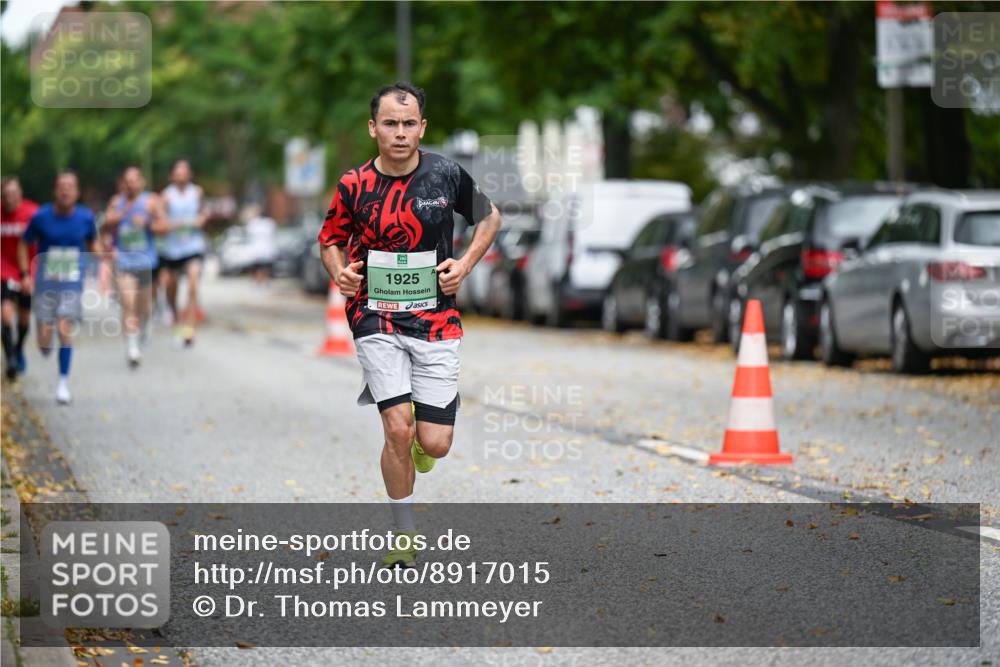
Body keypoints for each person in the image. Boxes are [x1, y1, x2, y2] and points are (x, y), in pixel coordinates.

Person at [318, 82, 501, 567]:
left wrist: (464, 265)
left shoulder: (445, 174)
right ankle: (403, 532)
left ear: (422, 127)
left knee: (433, 443)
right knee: (396, 430)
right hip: (374, 316)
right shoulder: (353, 184)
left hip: (436, 320)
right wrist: (339, 271)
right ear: (373, 127)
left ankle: (428, 430)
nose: (400, 133)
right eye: (390, 124)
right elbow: (330, 239)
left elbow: (490, 218)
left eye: (409, 124)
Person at [17, 170, 96, 403]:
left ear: (77, 192)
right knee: (44, 343)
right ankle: (45, 345)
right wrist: (25, 274)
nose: (65, 190)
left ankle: (63, 383)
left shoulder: (86, 218)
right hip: (45, 284)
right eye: (61, 186)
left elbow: (94, 244)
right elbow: (24, 244)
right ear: (55, 191)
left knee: (64, 328)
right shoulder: (41, 217)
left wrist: (96, 266)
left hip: (72, 283)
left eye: (69, 187)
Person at [103, 165, 167, 367]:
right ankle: (132, 348)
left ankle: (146, 324)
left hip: (147, 262)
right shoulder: (117, 202)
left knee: (145, 306)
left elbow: (164, 227)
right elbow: (104, 224)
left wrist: (147, 224)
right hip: (124, 261)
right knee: (128, 304)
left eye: (134, 180)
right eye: (127, 180)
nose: (131, 184)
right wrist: (118, 218)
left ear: (141, 182)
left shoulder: (151, 201)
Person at [159, 159, 208, 346]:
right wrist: (174, 224)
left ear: (190, 174)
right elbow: (160, 222)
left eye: (184, 172)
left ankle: (190, 329)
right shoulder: (166, 196)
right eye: (177, 172)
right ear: (172, 175)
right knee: (172, 289)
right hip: (172, 250)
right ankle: (176, 317)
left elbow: (204, 212)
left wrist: (200, 220)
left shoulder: (197, 192)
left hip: (193, 247)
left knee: (193, 285)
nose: (181, 175)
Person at [1, 176, 39, 380]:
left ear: (20, 194)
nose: (9, 198)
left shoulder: (33, 212)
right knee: (6, 315)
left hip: (28, 271)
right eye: (6, 194)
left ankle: (18, 348)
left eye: (13, 194)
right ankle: (10, 360)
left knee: (24, 317)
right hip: (4, 270)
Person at [243, 204, 277, 286]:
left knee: (262, 266)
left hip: (261, 249)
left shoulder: (255, 223)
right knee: (262, 266)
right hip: (262, 249)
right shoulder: (268, 223)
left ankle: (262, 280)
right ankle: (263, 280)